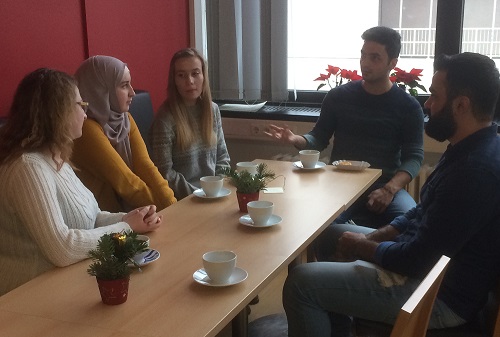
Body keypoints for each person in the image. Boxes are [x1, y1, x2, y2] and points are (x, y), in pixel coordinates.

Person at [282, 52, 500, 337]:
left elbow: (416, 260)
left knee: (300, 283)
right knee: (328, 234)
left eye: (434, 96)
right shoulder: (468, 146)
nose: (428, 104)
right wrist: (371, 237)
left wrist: (363, 246)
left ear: (461, 105)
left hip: (437, 297)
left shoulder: (475, 171)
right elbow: (420, 215)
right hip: (427, 271)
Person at [0, 68, 163, 295]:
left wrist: (132, 218)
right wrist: (126, 228)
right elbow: (62, 248)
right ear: (57, 112)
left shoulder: (56, 158)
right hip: (28, 297)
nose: (85, 114)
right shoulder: (28, 168)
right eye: (80, 105)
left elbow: (93, 217)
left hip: (66, 283)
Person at [266, 26, 424, 229]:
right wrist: (295, 139)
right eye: (363, 55)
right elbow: (319, 138)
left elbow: (414, 156)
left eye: (375, 58)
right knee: (317, 225)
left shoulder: (408, 106)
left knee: (410, 224)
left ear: (392, 63)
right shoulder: (338, 97)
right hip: (338, 184)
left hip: (383, 184)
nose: (365, 63)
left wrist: (389, 189)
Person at [72, 55, 176, 212]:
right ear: (101, 89)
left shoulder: (124, 118)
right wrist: (167, 210)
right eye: (124, 85)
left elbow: (145, 165)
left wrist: (171, 202)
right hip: (103, 220)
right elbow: (126, 182)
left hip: (131, 212)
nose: (132, 92)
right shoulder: (86, 128)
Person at [150, 48, 230, 199]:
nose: (190, 81)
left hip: (215, 194)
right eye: (181, 75)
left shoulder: (212, 110)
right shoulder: (165, 120)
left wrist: (219, 188)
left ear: (204, 76)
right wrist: (199, 195)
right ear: (174, 81)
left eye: (195, 73)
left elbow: (223, 157)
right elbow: (165, 173)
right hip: (184, 200)